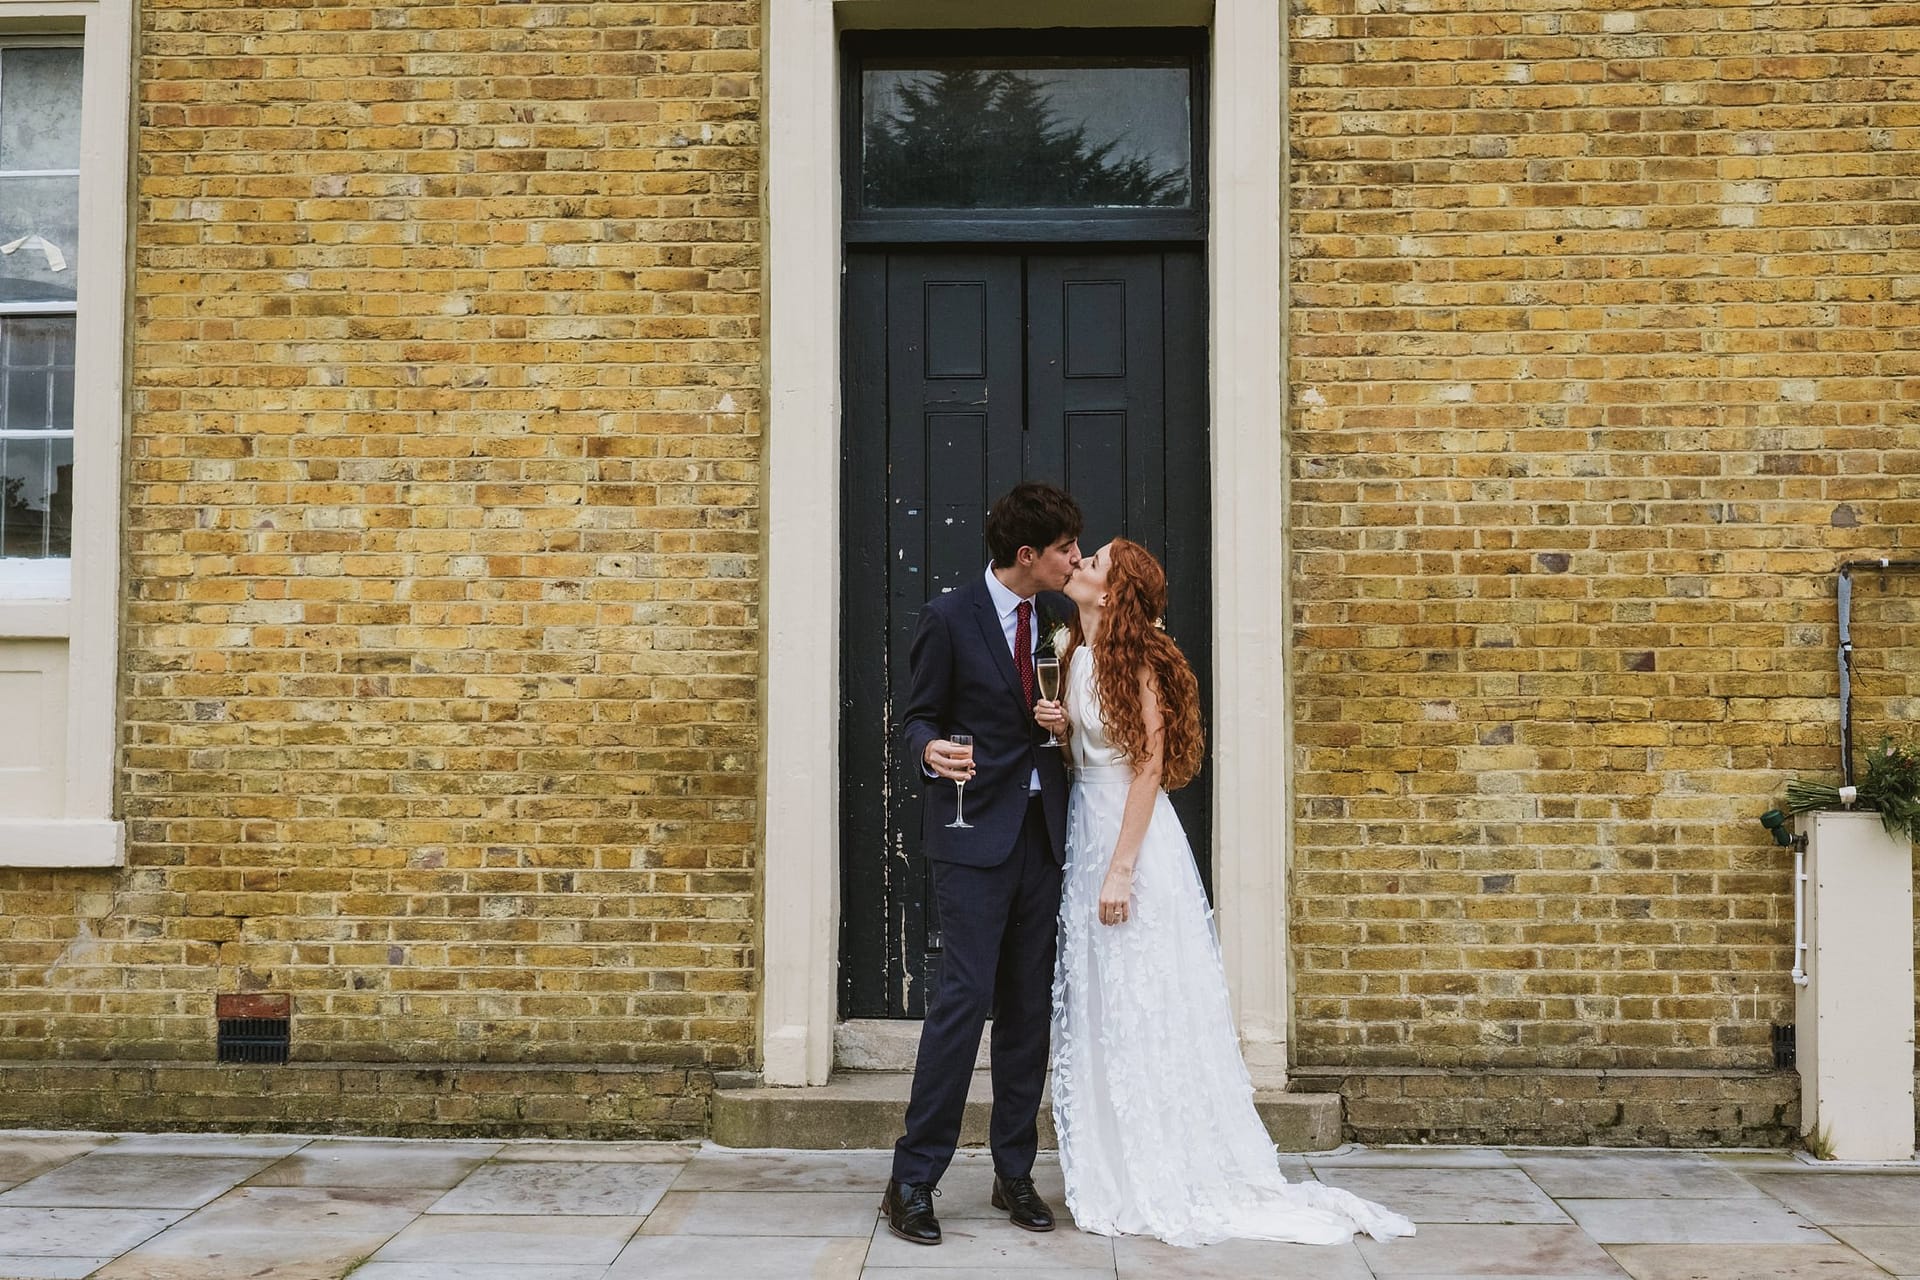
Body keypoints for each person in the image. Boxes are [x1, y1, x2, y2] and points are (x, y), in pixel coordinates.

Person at [1049, 538, 1416, 1247]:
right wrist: (1063, 730)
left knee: (1145, 994)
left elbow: (1148, 767)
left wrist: (1121, 868)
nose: (1082, 565)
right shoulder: (1072, 650)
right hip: (1086, 826)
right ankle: (1116, 1162)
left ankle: (1168, 1164)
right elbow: (1092, 755)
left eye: (1095, 561)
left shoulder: (1140, 660)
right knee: (1103, 997)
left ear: (1115, 589)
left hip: (1133, 840)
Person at [883, 482, 1083, 1246]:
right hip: (970, 836)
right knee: (963, 1005)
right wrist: (927, 753)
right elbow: (918, 718)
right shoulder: (947, 617)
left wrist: (1062, 725)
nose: (1074, 558)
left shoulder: (1061, 620)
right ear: (1027, 555)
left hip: (1045, 834)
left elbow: (1066, 724)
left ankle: (1014, 1173)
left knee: (1027, 1009)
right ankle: (912, 1179)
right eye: (1065, 548)